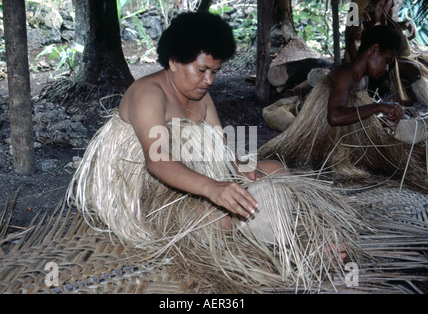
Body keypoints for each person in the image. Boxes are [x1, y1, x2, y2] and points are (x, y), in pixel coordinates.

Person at [67, 11, 364, 292]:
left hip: (197, 172)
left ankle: (291, 232)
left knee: (274, 169)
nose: (208, 80)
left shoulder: (202, 97)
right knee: (222, 219)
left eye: (215, 71)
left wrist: (244, 171)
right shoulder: (148, 94)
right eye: (201, 70)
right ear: (173, 62)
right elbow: (158, 162)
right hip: (152, 192)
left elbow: (220, 151)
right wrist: (213, 188)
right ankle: (297, 249)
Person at [259, 25, 427, 191]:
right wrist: (378, 107)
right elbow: (334, 116)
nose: (387, 68)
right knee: (381, 164)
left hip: (347, 140)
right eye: (387, 61)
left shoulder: (364, 79)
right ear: (374, 50)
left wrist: (384, 119)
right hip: (325, 142)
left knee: (406, 156)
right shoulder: (344, 75)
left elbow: (358, 115)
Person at [344, 0, 428, 106]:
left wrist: (404, 24)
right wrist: (360, 70)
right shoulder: (357, 4)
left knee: (420, 65)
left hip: (382, 53)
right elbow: (352, 39)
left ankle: (415, 101)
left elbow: (387, 25)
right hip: (364, 56)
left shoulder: (389, 2)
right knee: (412, 68)